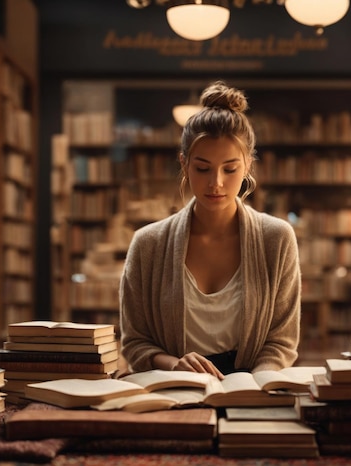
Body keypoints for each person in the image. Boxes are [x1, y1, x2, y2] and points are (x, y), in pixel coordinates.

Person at [119, 80, 301, 379]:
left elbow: (280, 342)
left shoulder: (276, 238)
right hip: (174, 387)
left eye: (230, 169)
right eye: (202, 168)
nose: (216, 182)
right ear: (184, 164)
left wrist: (255, 387)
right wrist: (174, 364)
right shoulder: (147, 243)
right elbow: (135, 343)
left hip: (251, 386)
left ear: (248, 166)